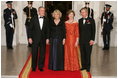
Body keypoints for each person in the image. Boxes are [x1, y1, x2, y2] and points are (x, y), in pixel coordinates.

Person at [28, 6, 49, 71]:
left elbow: (48, 30)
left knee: (42, 54)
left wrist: (47, 38)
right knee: (34, 53)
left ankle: (40, 66)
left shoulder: (46, 19)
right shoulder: (33, 19)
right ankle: (33, 67)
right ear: (38, 11)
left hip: (43, 39)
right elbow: (30, 29)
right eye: (41, 10)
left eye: (43, 10)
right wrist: (29, 37)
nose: (43, 12)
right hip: (35, 39)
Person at [78, 8, 95, 72]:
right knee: (82, 54)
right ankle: (83, 66)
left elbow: (93, 30)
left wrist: (92, 39)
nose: (82, 13)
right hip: (82, 40)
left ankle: (88, 67)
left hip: (88, 41)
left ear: (86, 13)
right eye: (81, 12)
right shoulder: (79, 20)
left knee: (88, 54)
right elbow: (79, 31)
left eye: (83, 12)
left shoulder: (91, 20)